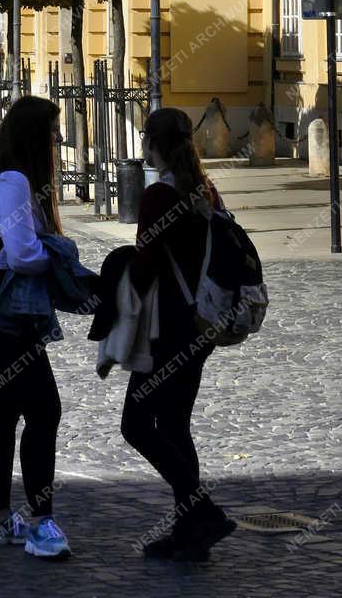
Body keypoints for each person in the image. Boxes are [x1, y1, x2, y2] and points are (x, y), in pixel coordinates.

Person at [0, 95, 80, 559]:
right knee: (44, 411)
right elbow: (23, 254)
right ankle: (42, 524)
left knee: (4, 414)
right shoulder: (13, 183)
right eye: (52, 131)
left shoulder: (13, 181)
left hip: (2, 314)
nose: (57, 140)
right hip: (6, 314)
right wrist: (60, 260)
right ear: (32, 135)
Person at [119, 108, 236, 562]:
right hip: (201, 325)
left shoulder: (159, 197)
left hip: (166, 329)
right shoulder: (205, 189)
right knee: (173, 425)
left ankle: (202, 511)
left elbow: (145, 266)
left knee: (136, 425)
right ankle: (191, 533)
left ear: (153, 143)